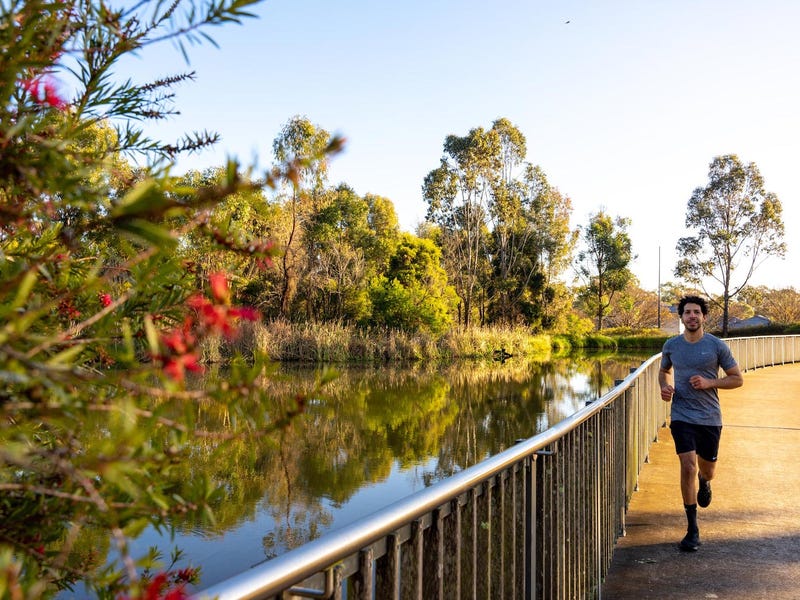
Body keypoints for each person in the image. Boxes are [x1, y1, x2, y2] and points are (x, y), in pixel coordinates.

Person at [658, 295, 743, 551]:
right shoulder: (671, 345)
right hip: (682, 415)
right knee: (688, 466)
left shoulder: (716, 346)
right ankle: (692, 528)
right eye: (687, 312)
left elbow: (737, 379)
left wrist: (710, 383)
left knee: (706, 471)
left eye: (696, 312)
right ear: (681, 317)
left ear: (704, 317)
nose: (692, 316)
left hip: (709, 418)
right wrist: (664, 387)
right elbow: (664, 371)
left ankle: (705, 483)